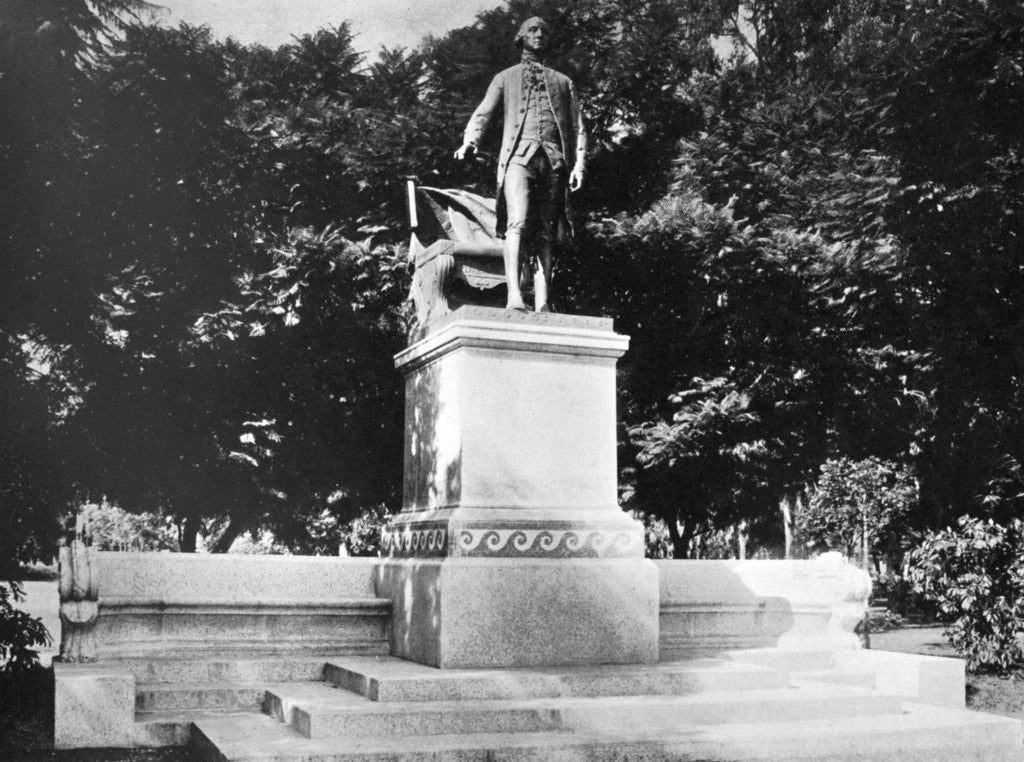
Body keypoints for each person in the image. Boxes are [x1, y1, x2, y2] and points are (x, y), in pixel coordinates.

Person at [454, 16, 586, 312]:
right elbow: (483, 114)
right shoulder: (505, 77)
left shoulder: (564, 82)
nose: (539, 34)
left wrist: (579, 166)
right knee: (518, 221)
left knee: (546, 231)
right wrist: (470, 141)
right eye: (533, 30)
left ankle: (543, 301)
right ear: (521, 37)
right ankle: (514, 295)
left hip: (553, 161)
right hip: (518, 159)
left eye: (544, 31)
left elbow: (578, 127)